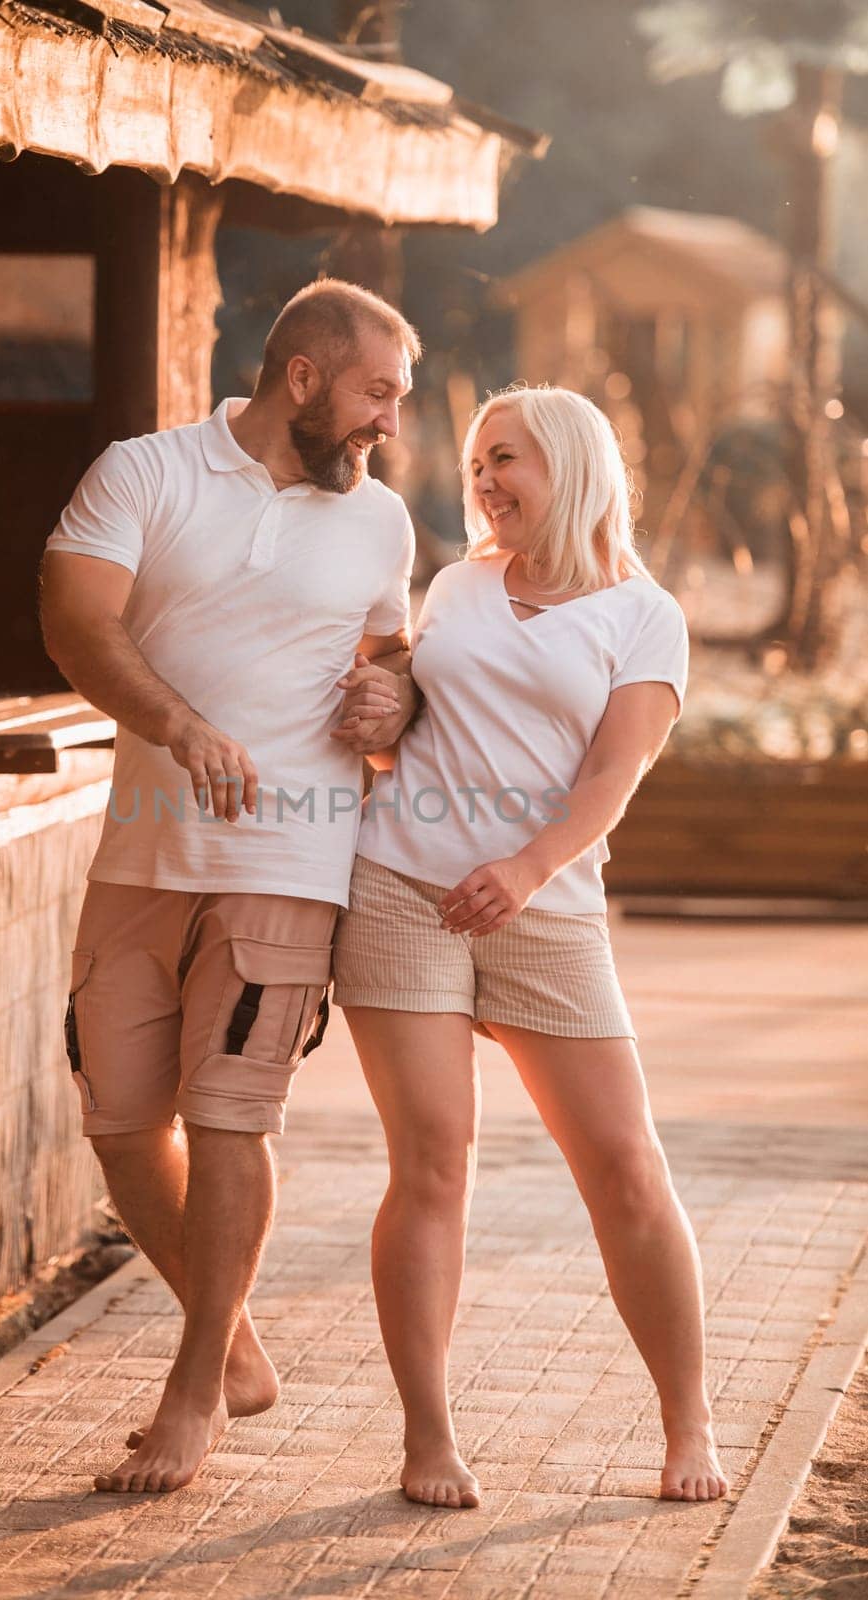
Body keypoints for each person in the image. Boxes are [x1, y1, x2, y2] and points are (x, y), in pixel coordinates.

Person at [40, 279, 422, 1494]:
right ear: (303, 378)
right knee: (119, 1123)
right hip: (144, 850)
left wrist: (394, 695)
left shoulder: (381, 523)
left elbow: (391, 655)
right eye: (376, 394)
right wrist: (180, 726)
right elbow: (75, 621)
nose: (389, 426)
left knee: (229, 1117)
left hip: (289, 860)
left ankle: (194, 1389)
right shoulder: (143, 472)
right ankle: (239, 1342)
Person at [332, 384, 729, 1510]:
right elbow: (406, 710)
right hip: (402, 885)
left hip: (543, 910)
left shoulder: (642, 614)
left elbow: (612, 778)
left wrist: (524, 869)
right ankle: (428, 1436)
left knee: (625, 1168)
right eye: (477, 463)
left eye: (507, 458)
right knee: (433, 1161)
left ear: (572, 463)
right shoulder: (456, 585)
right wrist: (382, 706)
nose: (486, 481)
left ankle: (687, 1414)